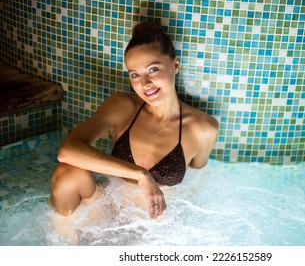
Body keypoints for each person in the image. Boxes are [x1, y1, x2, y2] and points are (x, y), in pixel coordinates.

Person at [49, 22, 219, 220]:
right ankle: (64, 242)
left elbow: (195, 184)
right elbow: (67, 151)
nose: (144, 83)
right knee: (68, 173)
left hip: (155, 226)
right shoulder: (124, 107)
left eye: (153, 69)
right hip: (106, 214)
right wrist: (141, 175)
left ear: (175, 64)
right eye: (135, 75)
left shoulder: (203, 128)